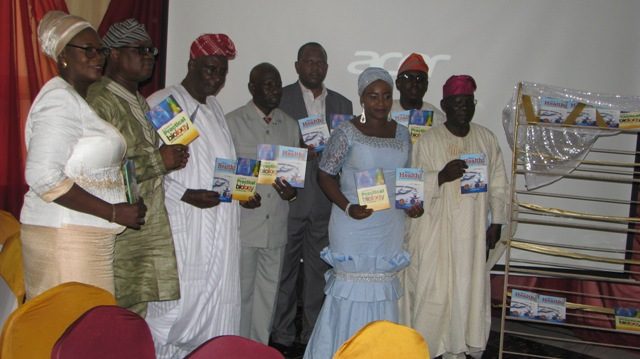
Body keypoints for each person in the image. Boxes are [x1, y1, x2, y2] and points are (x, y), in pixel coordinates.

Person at [144, 34, 260, 358]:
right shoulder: (167, 104)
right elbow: (145, 168)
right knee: (175, 312)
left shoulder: (213, 109)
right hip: (185, 226)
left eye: (222, 72)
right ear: (191, 64)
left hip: (220, 228)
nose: (217, 78)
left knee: (217, 310)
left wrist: (242, 191)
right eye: (210, 69)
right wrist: (184, 193)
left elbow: (221, 165)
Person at [20, 11, 145, 299]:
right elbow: (42, 176)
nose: (98, 57)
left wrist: (126, 198)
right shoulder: (58, 100)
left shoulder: (77, 101)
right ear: (63, 56)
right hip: (65, 239)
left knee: (85, 332)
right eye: (88, 50)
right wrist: (113, 211)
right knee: (70, 332)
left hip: (84, 238)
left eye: (100, 50)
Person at [304, 67, 423, 359]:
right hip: (353, 222)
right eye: (373, 96)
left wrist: (413, 203)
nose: (380, 103)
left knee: (382, 287)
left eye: (385, 97)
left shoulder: (404, 133)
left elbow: (406, 177)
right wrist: (347, 206)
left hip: (389, 224)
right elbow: (325, 174)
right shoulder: (346, 131)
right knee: (351, 288)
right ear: (362, 98)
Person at [401, 75, 508, 359]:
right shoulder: (428, 140)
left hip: (472, 235)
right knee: (433, 291)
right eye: (456, 103)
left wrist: (496, 221)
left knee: (467, 289)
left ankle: (462, 344)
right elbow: (413, 183)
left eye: (468, 103)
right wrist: (441, 176)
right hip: (436, 233)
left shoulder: (486, 138)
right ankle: (429, 346)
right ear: (445, 106)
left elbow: (498, 183)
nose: (463, 108)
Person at [87, 18, 186, 316]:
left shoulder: (141, 102)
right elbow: (96, 170)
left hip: (144, 228)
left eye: (151, 51)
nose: (149, 57)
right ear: (114, 54)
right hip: (118, 232)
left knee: (133, 317)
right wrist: (159, 160)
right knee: (110, 315)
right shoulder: (100, 101)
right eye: (140, 50)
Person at [271, 42, 353, 355]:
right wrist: (295, 150)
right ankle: (280, 334)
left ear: (327, 67)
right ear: (297, 66)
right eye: (308, 61)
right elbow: (271, 143)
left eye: (320, 62)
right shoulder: (280, 97)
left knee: (319, 274)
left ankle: (312, 336)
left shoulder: (343, 105)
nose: (314, 67)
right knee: (284, 272)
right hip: (288, 200)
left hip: (325, 203)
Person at [226, 63, 300, 344]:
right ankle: (236, 348)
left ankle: (257, 349)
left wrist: (291, 193)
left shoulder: (291, 126)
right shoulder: (232, 122)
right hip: (245, 227)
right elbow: (221, 174)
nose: (275, 91)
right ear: (252, 88)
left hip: (277, 225)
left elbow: (293, 184)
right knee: (241, 294)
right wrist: (238, 194)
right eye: (268, 85)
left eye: (278, 85)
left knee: (268, 297)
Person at [392, 53, 445, 126]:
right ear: (398, 83)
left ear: (426, 85)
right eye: (409, 78)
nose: (415, 83)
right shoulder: (385, 112)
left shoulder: (437, 118)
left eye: (420, 79)